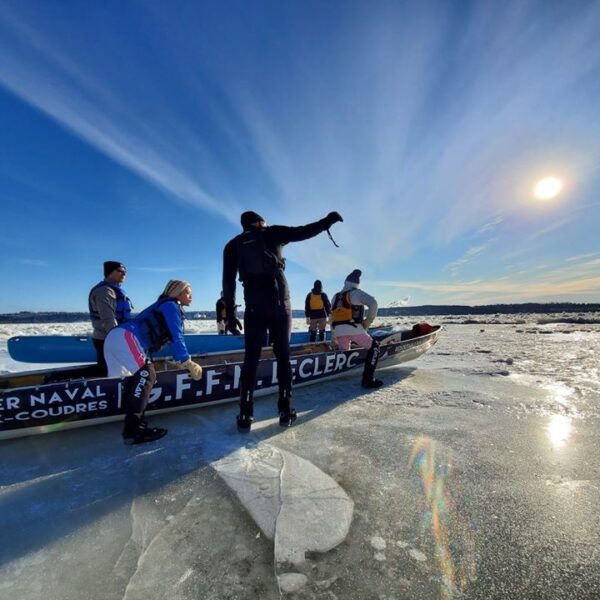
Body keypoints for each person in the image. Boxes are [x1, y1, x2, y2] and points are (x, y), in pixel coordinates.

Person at [222, 210, 343, 432]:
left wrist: (230, 314)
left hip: (253, 308)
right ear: (259, 222)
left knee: (251, 361)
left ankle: (245, 414)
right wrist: (326, 222)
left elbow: (228, 282)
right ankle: (285, 411)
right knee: (284, 357)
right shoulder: (273, 233)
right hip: (280, 305)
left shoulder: (232, 246)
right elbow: (303, 232)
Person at [103, 280, 203, 444]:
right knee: (146, 374)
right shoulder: (171, 305)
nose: (191, 296)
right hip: (126, 337)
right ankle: (133, 430)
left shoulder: (163, 305)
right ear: (176, 294)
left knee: (127, 379)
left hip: (115, 337)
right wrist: (187, 362)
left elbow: (167, 338)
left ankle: (127, 417)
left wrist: (178, 360)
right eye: (187, 292)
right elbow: (176, 337)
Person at [330, 269, 383, 388]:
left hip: (339, 331)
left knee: (345, 352)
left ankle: (342, 373)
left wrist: (334, 336)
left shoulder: (336, 297)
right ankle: (368, 380)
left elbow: (331, 316)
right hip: (354, 329)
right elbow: (373, 304)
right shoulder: (357, 293)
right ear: (357, 284)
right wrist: (367, 322)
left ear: (345, 282)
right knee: (374, 348)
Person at [88, 261, 133, 376]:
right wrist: (117, 340)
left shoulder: (115, 290)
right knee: (108, 371)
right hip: (106, 338)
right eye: (119, 271)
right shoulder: (105, 291)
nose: (123, 274)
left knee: (113, 369)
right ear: (109, 273)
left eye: (125, 272)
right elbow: (108, 319)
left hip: (113, 337)